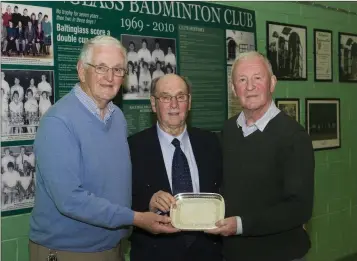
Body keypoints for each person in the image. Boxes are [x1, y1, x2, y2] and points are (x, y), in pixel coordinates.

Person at [28, 35, 178, 261]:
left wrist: (146, 204)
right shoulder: (58, 122)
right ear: (81, 70)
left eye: (118, 70)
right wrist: (136, 218)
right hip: (69, 252)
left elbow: (114, 184)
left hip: (114, 246)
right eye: (101, 68)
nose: (110, 77)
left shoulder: (116, 117)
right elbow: (69, 199)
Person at [205, 51, 314, 261]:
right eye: (242, 80)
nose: (250, 86)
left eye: (257, 78)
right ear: (233, 89)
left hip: (280, 254)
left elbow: (299, 208)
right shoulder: (228, 130)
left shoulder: (293, 136)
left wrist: (241, 225)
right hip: (233, 253)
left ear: (272, 83)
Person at [129, 74, 222, 261]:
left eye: (180, 97)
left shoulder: (211, 143)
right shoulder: (133, 147)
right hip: (155, 254)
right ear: (154, 104)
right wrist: (148, 203)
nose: (174, 104)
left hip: (206, 253)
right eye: (165, 97)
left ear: (189, 102)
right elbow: (120, 204)